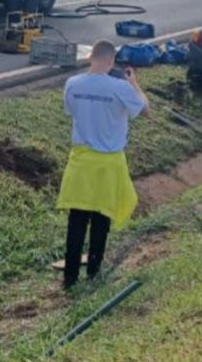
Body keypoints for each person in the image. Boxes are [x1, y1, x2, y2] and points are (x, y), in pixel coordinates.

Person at [56, 40, 150, 289]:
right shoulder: (120, 87)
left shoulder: (72, 84)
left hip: (80, 162)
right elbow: (146, 110)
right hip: (109, 165)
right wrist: (134, 83)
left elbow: (70, 111)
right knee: (101, 220)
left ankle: (70, 278)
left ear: (91, 58)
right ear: (111, 62)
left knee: (76, 220)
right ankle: (94, 274)